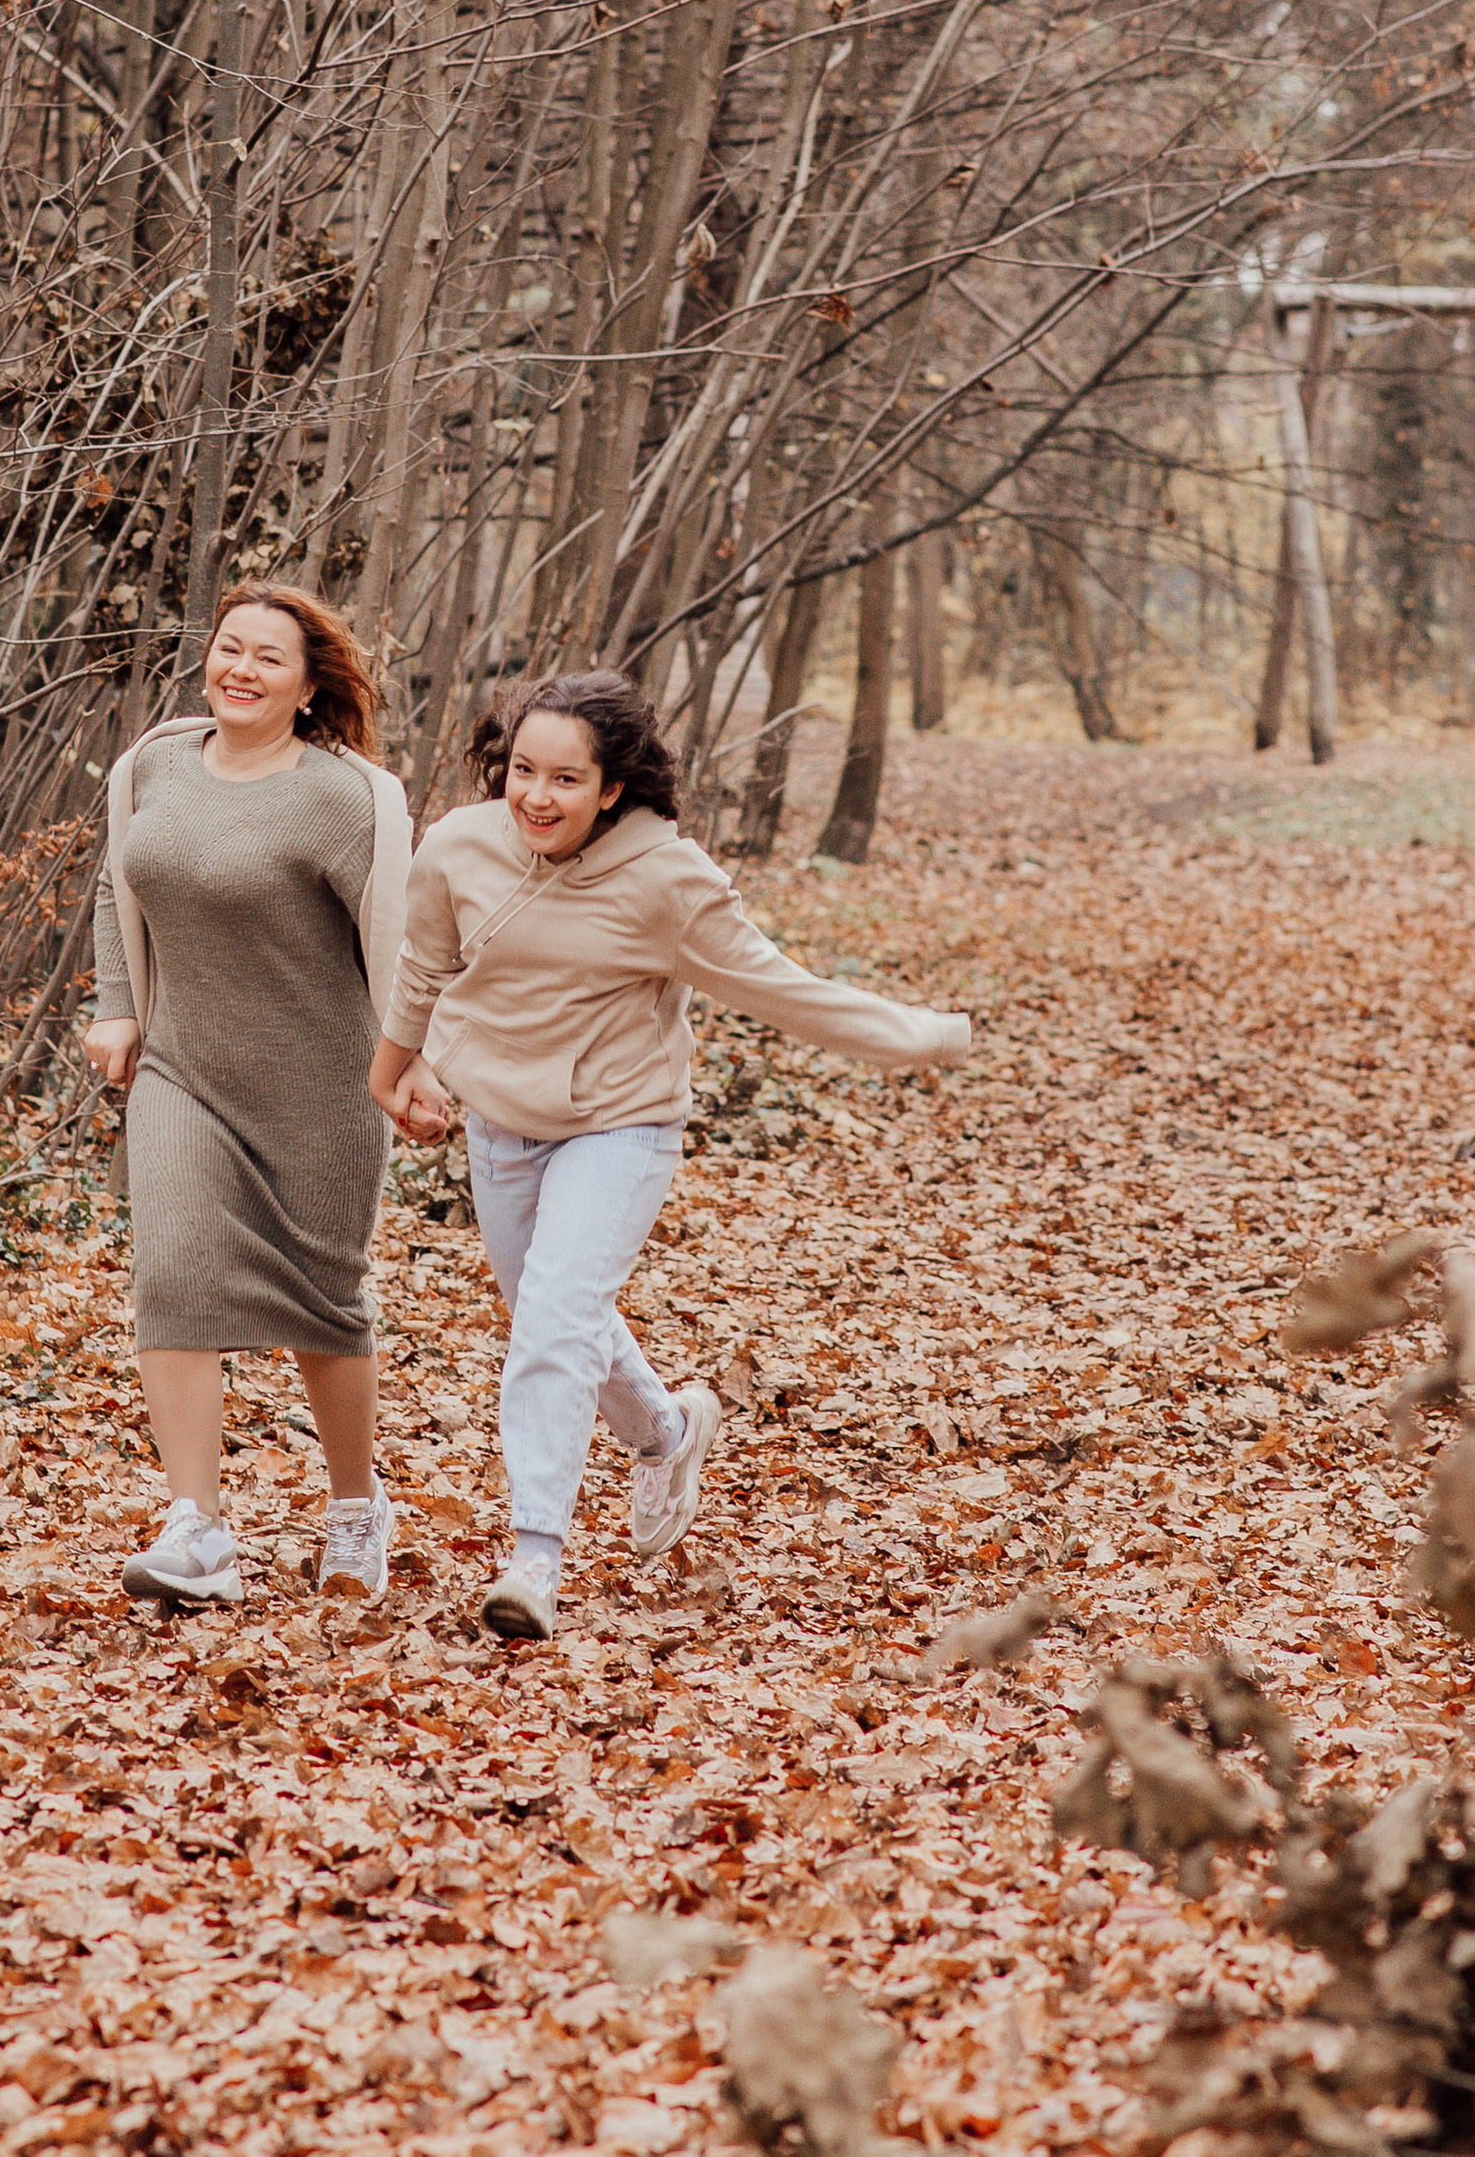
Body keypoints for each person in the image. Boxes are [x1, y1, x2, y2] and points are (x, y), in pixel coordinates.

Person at [368, 668, 971, 1643]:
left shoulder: (665, 882)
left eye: (566, 779)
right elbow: (425, 962)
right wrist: (392, 1068)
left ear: (613, 788)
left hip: (621, 1121)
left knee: (554, 1321)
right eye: (523, 771)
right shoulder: (459, 846)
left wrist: (923, 1036)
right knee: (553, 1311)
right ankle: (667, 1433)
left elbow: (784, 989)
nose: (536, 797)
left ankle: (533, 1558)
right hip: (502, 1117)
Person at [81, 586, 414, 1612]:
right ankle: (198, 1529)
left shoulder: (345, 798)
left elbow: (405, 941)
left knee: (324, 1307)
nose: (241, 669)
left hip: (322, 1087)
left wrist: (418, 1061)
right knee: (172, 1276)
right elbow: (117, 884)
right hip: (183, 1072)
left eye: (269, 657)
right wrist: (116, 1006)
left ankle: (355, 1506)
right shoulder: (155, 766)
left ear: (309, 686)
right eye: (230, 648)